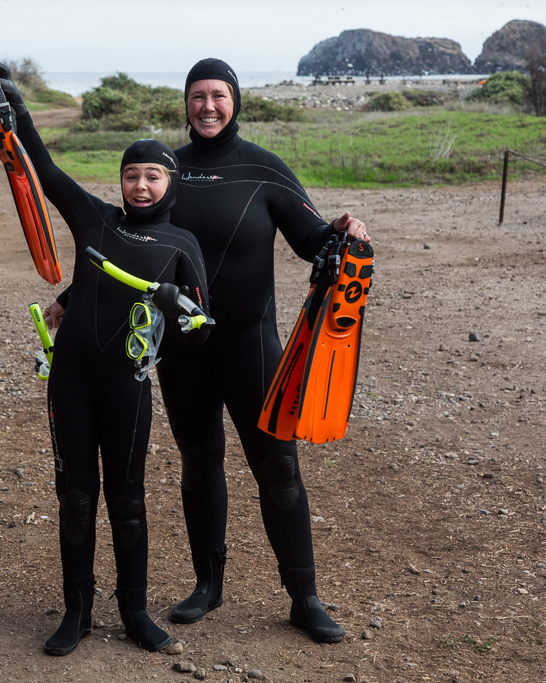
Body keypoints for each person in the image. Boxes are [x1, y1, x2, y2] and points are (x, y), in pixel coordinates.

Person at [46, 58, 369, 644]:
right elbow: (134, 248)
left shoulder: (264, 170)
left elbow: (312, 239)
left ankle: (305, 597)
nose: (209, 106)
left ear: (235, 100)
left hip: (251, 346)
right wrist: (75, 294)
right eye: (198, 96)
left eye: (219, 95)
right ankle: (206, 585)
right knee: (199, 464)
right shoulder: (169, 169)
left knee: (279, 469)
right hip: (186, 354)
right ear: (185, 104)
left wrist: (344, 230)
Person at [0, 61, 211, 656]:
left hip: (128, 385)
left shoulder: (182, 246)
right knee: (76, 498)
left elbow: (199, 331)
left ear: (170, 183)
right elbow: (45, 169)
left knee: (128, 502)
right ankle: (77, 611)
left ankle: (134, 609)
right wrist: (15, 107)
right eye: (131, 174)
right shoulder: (93, 220)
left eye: (153, 176)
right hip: (72, 380)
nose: (140, 185)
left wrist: (174, 304)